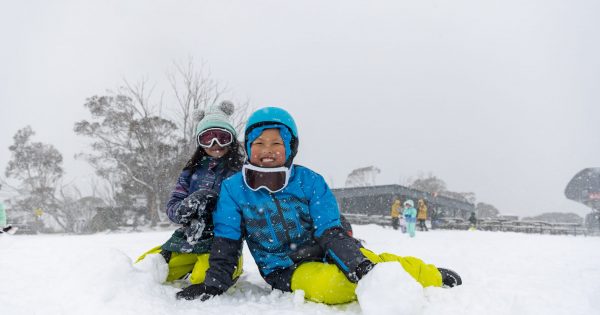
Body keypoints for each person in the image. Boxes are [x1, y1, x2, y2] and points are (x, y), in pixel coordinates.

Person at [175, 107, 462, 304]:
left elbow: (330, 229)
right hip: (283, 269)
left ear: (290, 147)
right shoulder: (233, 188)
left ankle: (429, 274)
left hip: (330, 250)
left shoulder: (310, 181)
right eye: (259, 143)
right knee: (336, 287)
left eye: (276, 143)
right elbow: (227, 239)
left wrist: (357, 264)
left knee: (375, 269)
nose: (267, 151)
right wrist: (214, 283)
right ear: (248, 147)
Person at [135, 101, 246, 285]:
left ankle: (229, 268)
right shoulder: (191, 172)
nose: (215, 144)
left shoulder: (239, 173)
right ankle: (185, 263)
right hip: (190, 238)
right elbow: (172, 206)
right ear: (199, 142)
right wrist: (184, 208)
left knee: (203, 278)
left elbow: (248, 212)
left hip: (224, 242)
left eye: (222, 137)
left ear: (232, 139)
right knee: (147, 269)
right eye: (207, 138)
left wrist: (218, 208)